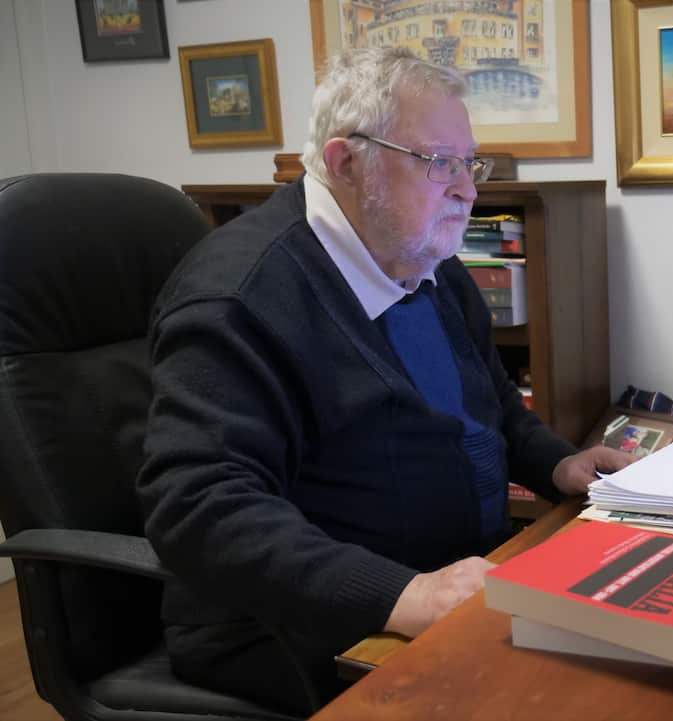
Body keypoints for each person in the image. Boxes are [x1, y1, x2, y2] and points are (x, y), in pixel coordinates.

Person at [136, 46, 634, 714]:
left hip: (458, 582)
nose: (468, 190)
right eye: (438, 164)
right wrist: (402, 596)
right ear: (347, 162)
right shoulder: (239, 298)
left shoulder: (427, 258)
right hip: (300, 627)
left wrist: (560, 464)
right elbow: (200, 508)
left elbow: (491, 412)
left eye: (469, 163)